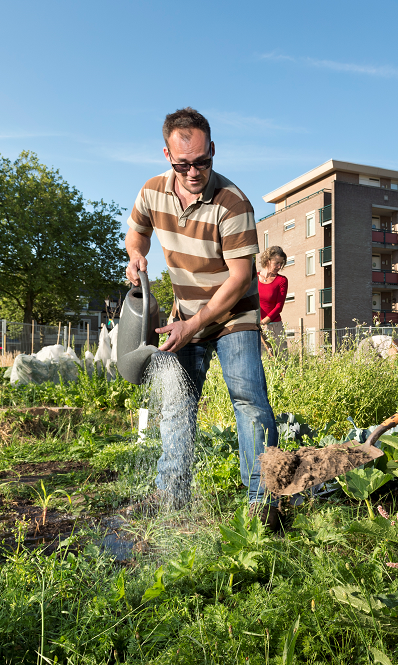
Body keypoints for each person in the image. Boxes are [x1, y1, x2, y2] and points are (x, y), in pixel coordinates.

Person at [124, 107, 282, 531]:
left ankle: (263, 502)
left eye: (202, 162)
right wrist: (136, 254)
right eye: (183, 164)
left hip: (233, 316)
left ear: (213, 150)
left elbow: (240, 278)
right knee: (178, 403)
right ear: (167, 156)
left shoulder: (233, 204)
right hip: (185, 315)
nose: (194, 172)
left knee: (248, 401)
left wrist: (195, 326)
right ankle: (171, 493)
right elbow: (137, 230)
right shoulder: (152, 192)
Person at [258, 246, 288, 353]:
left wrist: (263, 322)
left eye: (281, 263)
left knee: (281, 361)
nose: (279, 266)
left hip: (274, 326)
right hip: (256, 327)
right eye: (276, 263)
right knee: (262, 362)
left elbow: (279, 306)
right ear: (267, 261)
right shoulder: (254, 278)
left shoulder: (281, 280)